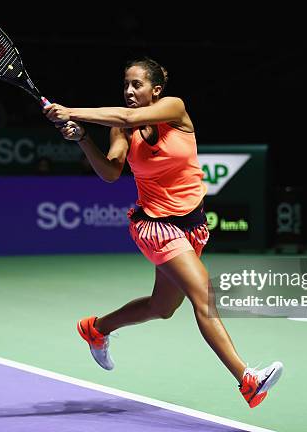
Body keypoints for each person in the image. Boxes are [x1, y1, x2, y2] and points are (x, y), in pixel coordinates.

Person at [43, 57, 283, 408]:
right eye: (125, 84)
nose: (128, 91)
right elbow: (110, 172)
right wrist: (81, 139)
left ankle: (96, 328)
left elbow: (127, 116)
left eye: (136, 85)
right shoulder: (121, 129)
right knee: (204, 297)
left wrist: (71, 111)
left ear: (155, 90)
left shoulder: (174, 109)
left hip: (193, 224)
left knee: (162, 307)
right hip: (155, 224)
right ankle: (247, 380)